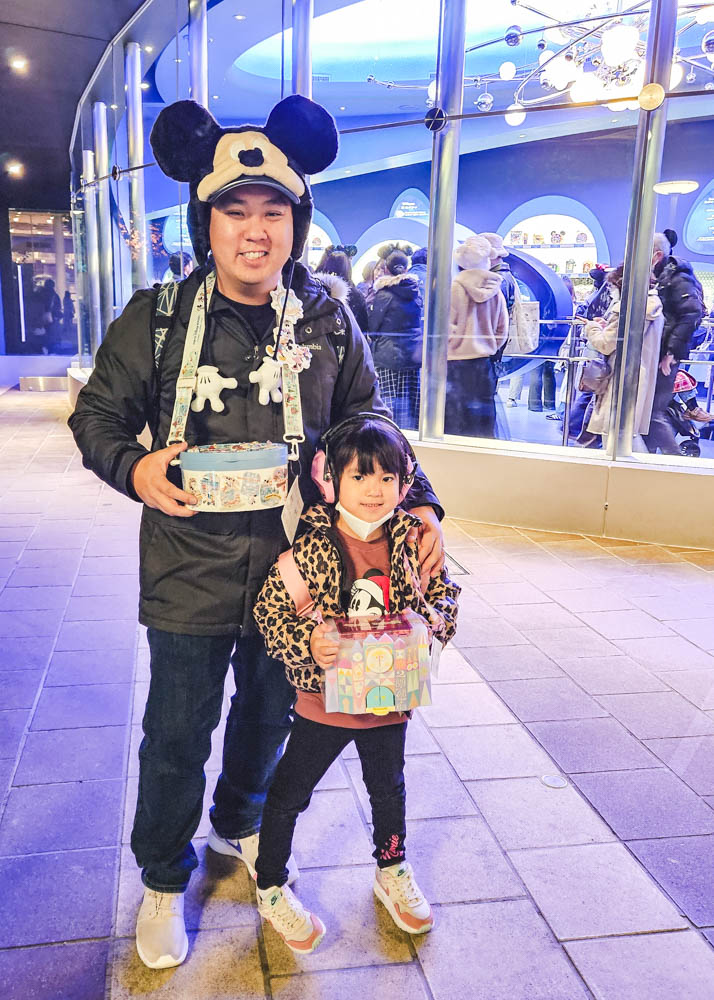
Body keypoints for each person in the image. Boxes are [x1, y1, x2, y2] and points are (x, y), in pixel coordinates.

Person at [69, 95, 446, 971]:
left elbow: (368, 420)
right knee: (175, 729)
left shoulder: (324, 321)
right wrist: (135, 468)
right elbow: (97, 416)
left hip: (300, 570)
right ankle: (164, 878)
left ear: (296, 223)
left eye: (273, 212)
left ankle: (237, 823)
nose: (254, 231)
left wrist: (420, 502)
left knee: (270, 716)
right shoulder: (157, 319)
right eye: (234, 213)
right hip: (188, 570)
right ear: (206, 224)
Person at [252, 414, 459, 953]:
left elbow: (446, 597)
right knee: (289, 793)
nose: (374, 490)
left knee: (388, 790)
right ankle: (270, 884)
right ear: (331, 480)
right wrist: (309, 644)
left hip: (390, 703)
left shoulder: (414, 543)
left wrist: (429, 628)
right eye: (360, 477)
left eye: (386, 478)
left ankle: (391, 867)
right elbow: (271, 612)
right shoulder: (311, 549)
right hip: (323, 704)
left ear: (404, 481)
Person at [581, 265, 664, 448]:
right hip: (637, 375)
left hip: (620, 377)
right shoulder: (652, 306)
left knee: (615, 436)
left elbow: (605, 344)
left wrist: (592, 328)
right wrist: (606, 326)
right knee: (627, 435)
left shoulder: (628, 309)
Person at [643, 229, 705, 455]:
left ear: (656, 255)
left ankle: (676, 461)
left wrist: (670, 353)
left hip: (665, 356)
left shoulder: (678, 277)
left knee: (654, 412)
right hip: (658, 352)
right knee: (650, 411)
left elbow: (691, 314)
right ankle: (648, 460)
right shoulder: (665, 277)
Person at [446, 235, 508, 438]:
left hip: (455, 364)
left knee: (454, 423)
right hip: (483, 364)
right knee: (482, 423)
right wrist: (488, 344)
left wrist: (453, 344)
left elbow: (445, 327)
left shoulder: (455, 288)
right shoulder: (495, 290)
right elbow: (502, 330)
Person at [368, 245, 423, 431]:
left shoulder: (383, 294)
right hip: (413, 354)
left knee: (389, 404)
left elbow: (373, 327)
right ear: (406, 268)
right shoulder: (416, 292)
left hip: (387, 355)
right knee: (412, 403)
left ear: (386, 268)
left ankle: (391, 442)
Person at [314, 247, 369, 331]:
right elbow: (362, 326)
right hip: (347, 339)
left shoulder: (316, 289)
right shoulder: (356, 295)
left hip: (318, 337)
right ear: (348, 269)